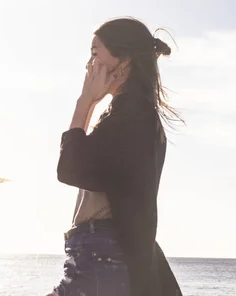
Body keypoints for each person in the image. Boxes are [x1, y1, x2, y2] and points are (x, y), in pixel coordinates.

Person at [48, 18, 183, 296]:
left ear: (123, 61)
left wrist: (85, 101)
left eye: (95, 53)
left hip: (101, 251)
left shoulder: (131, 115)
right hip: (100, 252)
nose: (89, 64)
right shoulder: (131, 113)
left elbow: (70, 168)